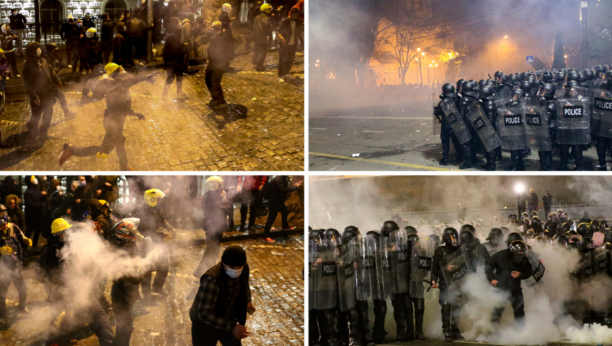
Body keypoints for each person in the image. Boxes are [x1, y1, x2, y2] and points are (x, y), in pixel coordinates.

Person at [59, 63, 155, 171]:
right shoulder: (118, 83)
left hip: (116, 120)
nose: (122, 70)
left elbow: (123, 107)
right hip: (112, 122)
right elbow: (131, 81)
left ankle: (124, 166)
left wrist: (136, 114)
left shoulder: (117, 85)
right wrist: (146, 78)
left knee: (119, 145)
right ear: (114, 73)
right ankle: (71, 150)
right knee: (104, 151)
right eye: (119, 69)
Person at [190, 245, 255, 345]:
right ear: (223, 263)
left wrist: (248, 301)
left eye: (239, 267)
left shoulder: (244, 268)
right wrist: (232, 328)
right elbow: (204, 312)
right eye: (232, 267)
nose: (236, 270)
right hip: (206, 326)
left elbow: (244, 284)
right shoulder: (212, 280)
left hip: (227, 319)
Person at [136, 189, 174, 300]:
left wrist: (170, 227)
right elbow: (145, 230)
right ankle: (147, 296)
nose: (161, 202)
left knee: (164, 267)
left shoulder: (159, 210)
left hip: (159, 243)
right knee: (147, 271)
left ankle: (157, 289)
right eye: (159, 200)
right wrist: (161, 232)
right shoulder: (143, 213)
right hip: (147, 245)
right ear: (151, 200)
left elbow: (164, 220)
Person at [485, 239, 533, 325]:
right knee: (498, 309)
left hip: (516, 289)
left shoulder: (524, 260)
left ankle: (521, 332)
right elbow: (488, 265)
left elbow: (529, 272)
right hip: (501, 287)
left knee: (519, 310)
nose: (518, 258)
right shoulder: (500, 255)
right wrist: (491, 279)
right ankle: (492, 330)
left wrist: (520, 274)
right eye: (516, 255)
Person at [430, 227, 464, 341]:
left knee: (457, 305)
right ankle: (446, 330)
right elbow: (434, 267)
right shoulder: (440, 251)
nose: (453, 240)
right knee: (446, 305)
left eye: (454, 237)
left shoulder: (460, 250)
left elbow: (465, 264)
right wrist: (433, 280)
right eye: (451, 237)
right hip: (445, 282)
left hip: (458, 281)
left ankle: (455, 329)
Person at [194, 176, 231, 278]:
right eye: (220, 185)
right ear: (215, 186)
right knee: (211, 251)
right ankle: (201, 273)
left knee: (213, 251)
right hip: (213, 229)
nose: (222, 187)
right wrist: (224, 198)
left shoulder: (213, 195)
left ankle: (208, 271)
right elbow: (227, 208)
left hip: (215, 228)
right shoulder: (214, 198)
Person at [23, 41, 60, 143]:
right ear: (33, 51)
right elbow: (28, 85)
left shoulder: (43, 60)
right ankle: (32, 138)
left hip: (48, 93)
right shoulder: (28, 66)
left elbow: (50, 70)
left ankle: (43, 135)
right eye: (37, 48)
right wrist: (34, 97)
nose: (39, 49)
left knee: (48, 115)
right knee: (36, 118)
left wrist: (56, 80)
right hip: (38, 96)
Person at [0, 217, 30, 325]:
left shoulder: (13, 227)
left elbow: (22, 237)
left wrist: (26, 240)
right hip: (3, 269)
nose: (4, 225)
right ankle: (2, 315)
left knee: (23, 289)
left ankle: (22, 308)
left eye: (5, 222)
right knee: (1, 294)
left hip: (16, 266)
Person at [263, 176, 303, 241]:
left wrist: (295, 185)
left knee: (285, 211)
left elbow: (285, 187)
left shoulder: (283, 177)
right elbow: (283, 190)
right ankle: (266, 235)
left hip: (279, 201)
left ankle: (285, 226)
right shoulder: (279, 179)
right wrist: (295, 188)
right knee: (271, 218)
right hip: (274, 202)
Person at [202, 21, 230, 108]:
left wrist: (224, 63)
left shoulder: (224, 37)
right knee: (208, 79)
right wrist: (208, 35)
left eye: (214, 28)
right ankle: (215, 98)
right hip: (212, 62)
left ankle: (221, 101)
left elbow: (222, 50)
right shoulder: (214, 36)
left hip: (219, 63)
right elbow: (203, 41)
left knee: (215, 81)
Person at [276, 8, 303, 83]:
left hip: (293, 44)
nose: (295, 17)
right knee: (282, 60)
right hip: (284, 44)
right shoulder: (285, 21)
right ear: (291, 14)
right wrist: (282, 38)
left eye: (297, 15)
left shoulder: (298, 22)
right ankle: (280, 75)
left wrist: (302, 42)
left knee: (290, 60)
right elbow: (278, 31)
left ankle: (285, 73)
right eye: (294, 15)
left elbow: (299, 33)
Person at [80, 28, 105, 102]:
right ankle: (84, 95)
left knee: (98, 79)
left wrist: (102, 62)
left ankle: (97, 93)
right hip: (91, 65)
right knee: (89, 81)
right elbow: (84, 58)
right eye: (95, 33)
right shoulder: (87, 45)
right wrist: (88, 68)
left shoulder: (96, 43)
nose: (96, 35)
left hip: (97, 64)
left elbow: (99, 53)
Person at [162, 30, 186, 100]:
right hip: (175, 63)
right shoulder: (173, 39)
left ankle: (166, 94)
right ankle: (177, 94)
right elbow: (177, 51)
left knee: (172, 78)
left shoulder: (169, 41)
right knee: (176, 78)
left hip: (172, 63)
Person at [24, 176, 45, 247]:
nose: (35, 179)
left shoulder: (36, 189)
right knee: (29, 233)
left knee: (37, 232)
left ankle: (34, 246)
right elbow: (30, 204)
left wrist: (42, 195)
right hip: (31, 217)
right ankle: (24, 248)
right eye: (33, 178)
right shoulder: (28, 192)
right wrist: (41, 204)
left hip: (38, 216)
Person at [252, 3, 272, 72]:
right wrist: (270, 39)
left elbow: (253, 27)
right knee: (262, 52)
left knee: (256, 49)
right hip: (262, 38)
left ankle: (254, 60)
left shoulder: (257, 17)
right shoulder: (267, 19)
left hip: (255, 37)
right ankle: (259, 66)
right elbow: (269, 30)